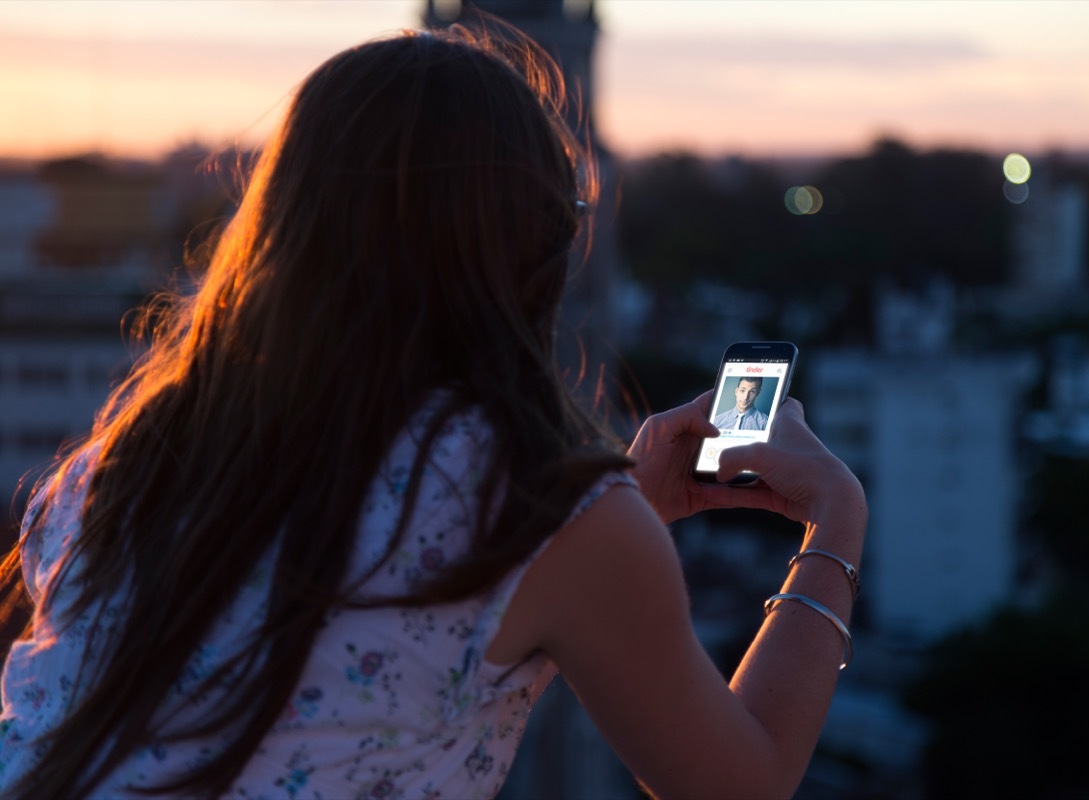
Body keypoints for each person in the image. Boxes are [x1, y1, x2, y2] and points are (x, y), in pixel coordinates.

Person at [0, 20, 866, 800]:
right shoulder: (538, 510)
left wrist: (613, 522)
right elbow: (740, 787)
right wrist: (836, 523)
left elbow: (379, 674)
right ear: (532, 249)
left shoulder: (128, 462)